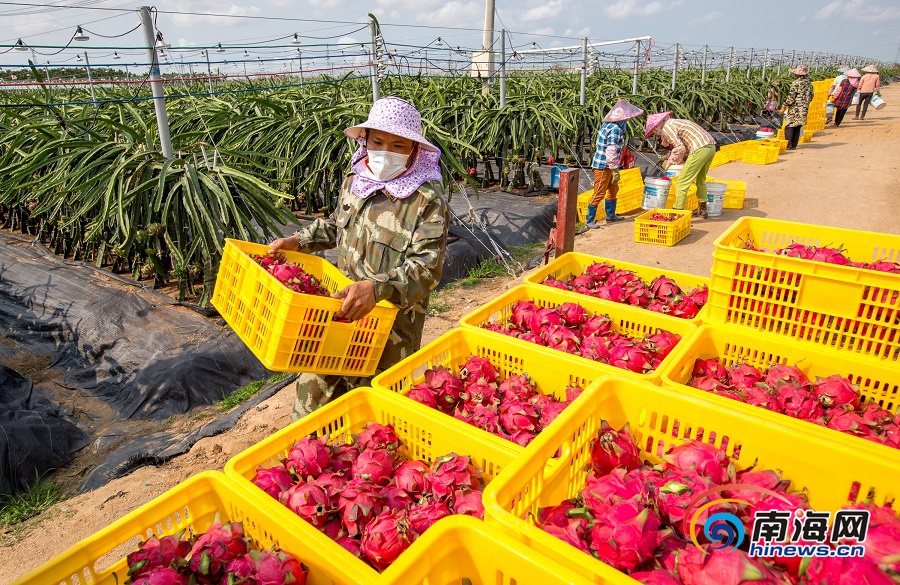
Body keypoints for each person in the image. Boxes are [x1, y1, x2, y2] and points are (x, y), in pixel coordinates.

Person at [268, 97, 450, 420]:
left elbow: (426, 270)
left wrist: (376, 289)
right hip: (335, 320)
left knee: (372, 427)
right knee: (309, 414)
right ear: (365, 141)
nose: (385, 151)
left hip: (388, 337)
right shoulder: (356, 181)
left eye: (398, 144)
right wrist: (297, 241)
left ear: (413, 150)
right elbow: (335, 224)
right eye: (378, 142)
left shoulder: (426, 202)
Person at [644, 111, 716, 219]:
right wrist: (669, 156)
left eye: (654, 131)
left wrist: (669, 162)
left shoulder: (667, 128)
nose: (656, 133)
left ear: (657, 126)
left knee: (681, 183)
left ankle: (677, 213)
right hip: (710, 147)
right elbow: (683, 146)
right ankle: (702, 209)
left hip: (699, 149)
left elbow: (680, 148)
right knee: (700, 179)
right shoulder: (673, 123)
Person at [587, 99, 644, 227]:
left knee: (613, 188)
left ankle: (611, 215)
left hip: (607, 164)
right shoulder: (615, 129)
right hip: (604, 165)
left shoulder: (607, 125)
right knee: (599, 191)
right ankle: (589, 220)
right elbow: (611, 149)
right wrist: (614, 168)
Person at [781, 65, 814, 150]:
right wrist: (805, 103)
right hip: (804, 108)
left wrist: (784, 106)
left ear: (798, 75)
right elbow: (811, 96)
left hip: (795, 108)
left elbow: (791, 97)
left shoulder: (796, 83)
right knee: (798, 126)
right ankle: (794, 145)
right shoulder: (809, 84)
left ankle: (788, 144)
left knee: (790, 125)